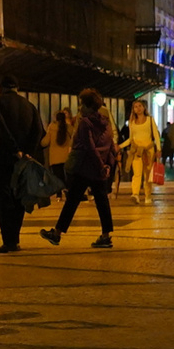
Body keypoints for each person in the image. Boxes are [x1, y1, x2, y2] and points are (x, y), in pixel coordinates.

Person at [41, 88, 119, 249]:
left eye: (82, 104)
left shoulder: (85, 123)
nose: (80, 108)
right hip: (99, 168)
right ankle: (106, 236)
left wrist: (99, 165)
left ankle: (57, 233)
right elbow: (110, 144)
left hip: (85, 167)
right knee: (102, 201)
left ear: (89, 106)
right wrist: (107, 166)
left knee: (72, 200)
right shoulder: (105, 122)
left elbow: (89, 147)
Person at [0, 77, 46, 253]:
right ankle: (15, 238)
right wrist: (27, 151)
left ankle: (8, 240)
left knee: (0, 197)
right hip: (22, 159)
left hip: (1, 158)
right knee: (18, 198)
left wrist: (14, 149)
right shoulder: (28, 105)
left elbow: (0, 128)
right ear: (17, 88)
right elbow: (39, 130)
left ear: (0, 88)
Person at [124, 98, 160, 204]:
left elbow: (156, 136)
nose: (138, 108)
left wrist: (158, 149)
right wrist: (119, 146)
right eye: (136, 107)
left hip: (149, 151)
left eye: (140, 106)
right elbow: (130, 139)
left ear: (144, 108)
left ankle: (147, 196)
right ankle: (135, 194)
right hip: (136, 152)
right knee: (137, 173)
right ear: (133, 109)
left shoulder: (150, 120)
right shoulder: (132, 122)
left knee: (147, 175)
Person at [46, 108, 74, 199]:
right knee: (66, 175)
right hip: (67, 156)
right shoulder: (69, 128)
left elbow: (46, 142)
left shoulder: (51, 127)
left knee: (57, 175)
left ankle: (59, 194)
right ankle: (67, 189)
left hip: (55, 157)